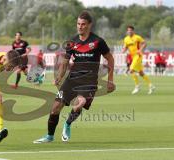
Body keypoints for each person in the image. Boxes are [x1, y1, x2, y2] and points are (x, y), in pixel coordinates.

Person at [33, 11, 115, 143]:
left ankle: (67, 124)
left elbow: (110, 59)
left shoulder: (98, 41)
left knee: (80, 103)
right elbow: (65, 60)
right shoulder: (72, 41)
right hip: (72, 79)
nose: (80, 27)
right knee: (55, 107)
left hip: (89, 81)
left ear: (89, 25)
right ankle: (49, 136)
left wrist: (110, 80)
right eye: (78, 24)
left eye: (83, 24)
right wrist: (59, 76)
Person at [122, 26, 155, 94]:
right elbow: (125, 47)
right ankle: (151, 86)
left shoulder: (137, 37)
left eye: (131, 30)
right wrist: (123, 50)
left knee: (131, 70)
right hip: (133, 57)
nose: (129, 31)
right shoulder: (126, 39)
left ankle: (137, 87)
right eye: (128, 30)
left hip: (138, 55)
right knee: (141, 73)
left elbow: (145, 43)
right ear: (127, 31)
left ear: (133, 31)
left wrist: (140, 49)